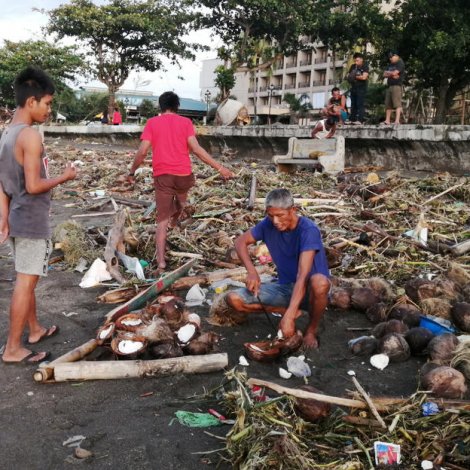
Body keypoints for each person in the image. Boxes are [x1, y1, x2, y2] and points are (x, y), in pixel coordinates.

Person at [0, 66, 77, 364]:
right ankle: (12, 349)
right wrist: (65, 176)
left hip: (17, 218)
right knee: (26, 283)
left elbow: (3, 185)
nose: (49, 110)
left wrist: (4, 219)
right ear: (31, 102)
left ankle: (34, 330)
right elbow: (33, 186)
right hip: (31, 220)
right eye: (47, 104)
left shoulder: (8, 134)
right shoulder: (30, 136)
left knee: (26, 279)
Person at [127, 91, 234, 275]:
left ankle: (161, 262)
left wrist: (131, 170)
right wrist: (220, 168)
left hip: (163, 176)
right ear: (177, 106)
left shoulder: (152, 123)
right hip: (184, 174)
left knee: (161, 221)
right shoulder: (186, 123)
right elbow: (196, 149)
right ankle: (174, 221)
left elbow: (143, 151)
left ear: (160, 106)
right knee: (181, 204)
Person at [224, 188, 330, 349]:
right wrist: (252, 272)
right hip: (286, 287)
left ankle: (311, 330)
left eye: (280, 215)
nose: (275, 221)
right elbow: (240, 242)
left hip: (310, 291)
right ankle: (286, 311)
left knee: (320, 282)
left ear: (293, 210)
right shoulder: (268, 224)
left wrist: (289, 319)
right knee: (233, 299)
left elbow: (302, 275)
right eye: (270, 215)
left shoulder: (308, 230)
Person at [383, 51, 405, 126]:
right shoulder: (390, 64)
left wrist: (390, 73)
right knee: (388, 103)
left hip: (397, 85)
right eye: (389, 57)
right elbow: (384, 74)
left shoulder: (400, 62)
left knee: (397, 103)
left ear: (396, 56)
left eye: (391, 57)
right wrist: (392, 74)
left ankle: (397, 120)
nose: (390, 59)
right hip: (390, 85)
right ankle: (387, 120)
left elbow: (396, 73)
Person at [347, 52, 369, 124]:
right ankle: (352, 119)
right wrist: (352, 77)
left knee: (360, 104)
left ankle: (360, 120)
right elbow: (348, 76)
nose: (356, 62)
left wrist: (355, 76)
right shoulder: (353, 66)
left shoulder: (365, 66)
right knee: (353, 104)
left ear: (361, 59)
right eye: (355, 60)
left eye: (357, 60)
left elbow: (364, 77)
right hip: (353, 87)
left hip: (361, 88)